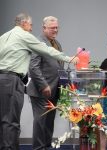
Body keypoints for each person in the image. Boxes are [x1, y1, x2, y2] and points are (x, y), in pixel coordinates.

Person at [0, 13, 78, 150]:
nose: (31, 29)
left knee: (7, 120)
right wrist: (69, 58)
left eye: (57, 27)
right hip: (17, 81)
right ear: (24, 23)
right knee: (12, 121)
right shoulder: (26, 36)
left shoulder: (5, 36)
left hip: (5, 79)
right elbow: (42, 57)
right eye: (30, 25)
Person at [27, 16, 64, 150]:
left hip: (54, 89)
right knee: (40, 121)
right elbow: (33, 67)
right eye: (52, 28)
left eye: (56, 27)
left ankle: (46, 146)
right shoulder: (38, 42)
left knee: (49, 122)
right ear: (44, 28)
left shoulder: (56, 43)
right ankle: (38, 148)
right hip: (41, 90)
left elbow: (59, 65)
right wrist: (43, 85)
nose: (55, 30)